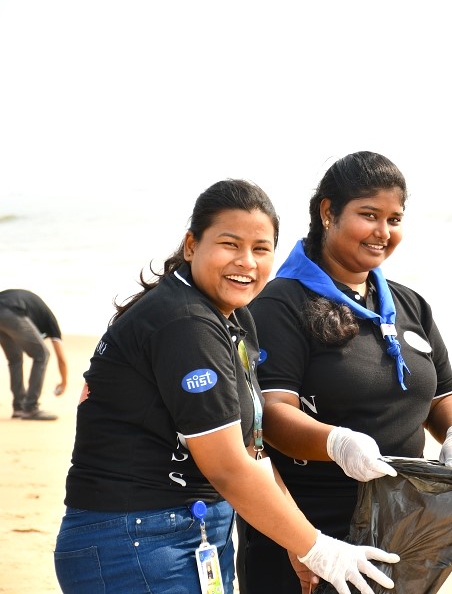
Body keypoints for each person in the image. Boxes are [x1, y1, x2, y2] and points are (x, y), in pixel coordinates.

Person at [54, 179, 399, 594]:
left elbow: (253, 450)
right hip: (135, 539)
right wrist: (318, 548)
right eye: (230, 244)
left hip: (192, 530)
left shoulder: (232, 317)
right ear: (191, 245)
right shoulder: (186, 323)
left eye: (261, 249)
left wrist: (298, 539)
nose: (246, 262)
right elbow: (227, 467)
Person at [236, 151, 452, 593]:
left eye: (394, 219)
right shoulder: (280, 305)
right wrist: (337, 443)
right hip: (310, 539)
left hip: (401, 532)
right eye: (369, 215)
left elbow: (444, 392)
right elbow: (270, 414)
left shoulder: (409, 304)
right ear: (327, 213)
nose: (383, 232)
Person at [0, 288, 68, 420]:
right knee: (42, 355)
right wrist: (64, 382)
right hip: (12, 311)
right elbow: (61, 358)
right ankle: (31, 407)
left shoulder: (36, 314)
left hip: (7, 307)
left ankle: (19, 407)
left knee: (15, 359)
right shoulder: (51, 322)